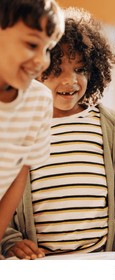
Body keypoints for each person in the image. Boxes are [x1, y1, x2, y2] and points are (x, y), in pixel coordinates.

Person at [0, 7, 115, 260]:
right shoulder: (22, 122)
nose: (70, 81)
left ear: (94, 70)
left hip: (98, 259)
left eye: (80, 69)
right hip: (37, 262)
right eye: (57, 70)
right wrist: (10, 241)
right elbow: (5, 190)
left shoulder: (111, 126)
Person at [0, 0, 64, 254]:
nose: (41, 60)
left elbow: (19, 174)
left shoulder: (39, 99)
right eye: (31, 44)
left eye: (47, 48)